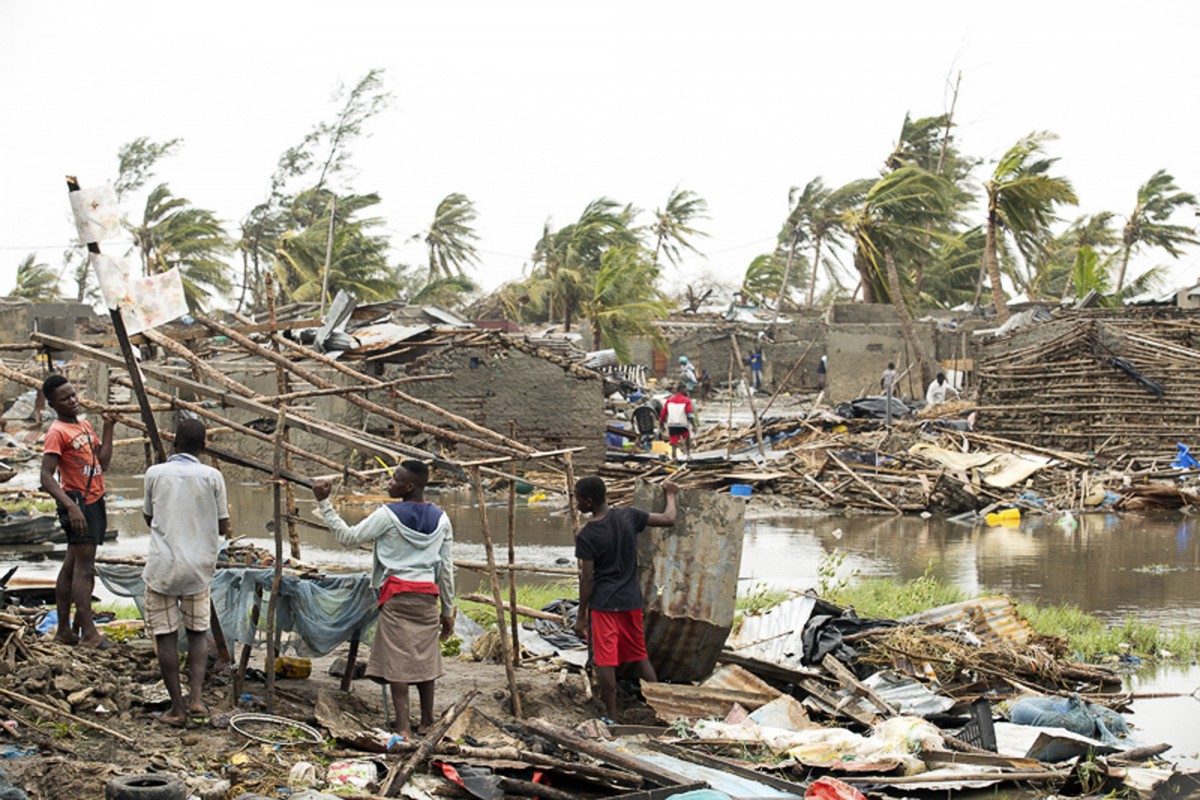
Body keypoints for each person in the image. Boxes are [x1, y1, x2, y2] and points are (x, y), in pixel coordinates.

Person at [312, 461, 455, 740]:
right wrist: (448, 610)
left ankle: (403, 727)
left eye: (394, 479)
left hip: (396, 595)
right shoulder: (442, 518)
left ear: (409, 486)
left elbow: (348, 537)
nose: (388, 483)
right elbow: (446, 568)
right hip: (427, 596)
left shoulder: (387, 515)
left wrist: (325, 503)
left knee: (397, 661)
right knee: (425, 657)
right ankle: (426, 721)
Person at [142, 419, 229, 728]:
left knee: (165, 635)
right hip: (198, 568)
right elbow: (223, 525)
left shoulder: (155, 473)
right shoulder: (212, 476)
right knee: (196, 633)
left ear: (174, 444)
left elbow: (149, 516)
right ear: (203, 447)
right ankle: (196, 700)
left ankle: (176, 708)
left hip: (162, 567)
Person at [573, 476, 678, 722]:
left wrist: (581, 616)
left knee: (604, 659)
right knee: (640, 655)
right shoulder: (628, 516)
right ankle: (662, 710)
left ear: (589, 502)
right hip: (631, 601)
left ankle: (611, 715)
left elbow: (587, 579)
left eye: (577, 499)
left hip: (604, 604)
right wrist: (671, 495)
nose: (576, 504)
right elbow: (668, 519)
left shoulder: (587, 535)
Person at [39, 374, 115, 649]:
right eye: (64, 399)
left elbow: (102, 463)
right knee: (85, 569)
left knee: (72, 565)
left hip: (94, 499)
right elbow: (46, 477)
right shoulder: (57, 432)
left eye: (73, 395)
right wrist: (71, 507)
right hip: (78, 502)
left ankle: (64, 630)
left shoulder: (83, 425)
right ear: (53, 404)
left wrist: (108, 428)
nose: (72, 401)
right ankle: (89, 634)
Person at [658, 384, 697, 462]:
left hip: (671, 424)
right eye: (686, 390)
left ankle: (674, 457)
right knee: (687, 437)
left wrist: (661, 424)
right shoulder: (686, 400)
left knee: (674, 441)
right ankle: (688, 455)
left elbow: (663, 414)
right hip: (682, 424)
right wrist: (694, 425)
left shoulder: (669, 400)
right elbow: (689, 414)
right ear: (682, 390)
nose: (687, 391)